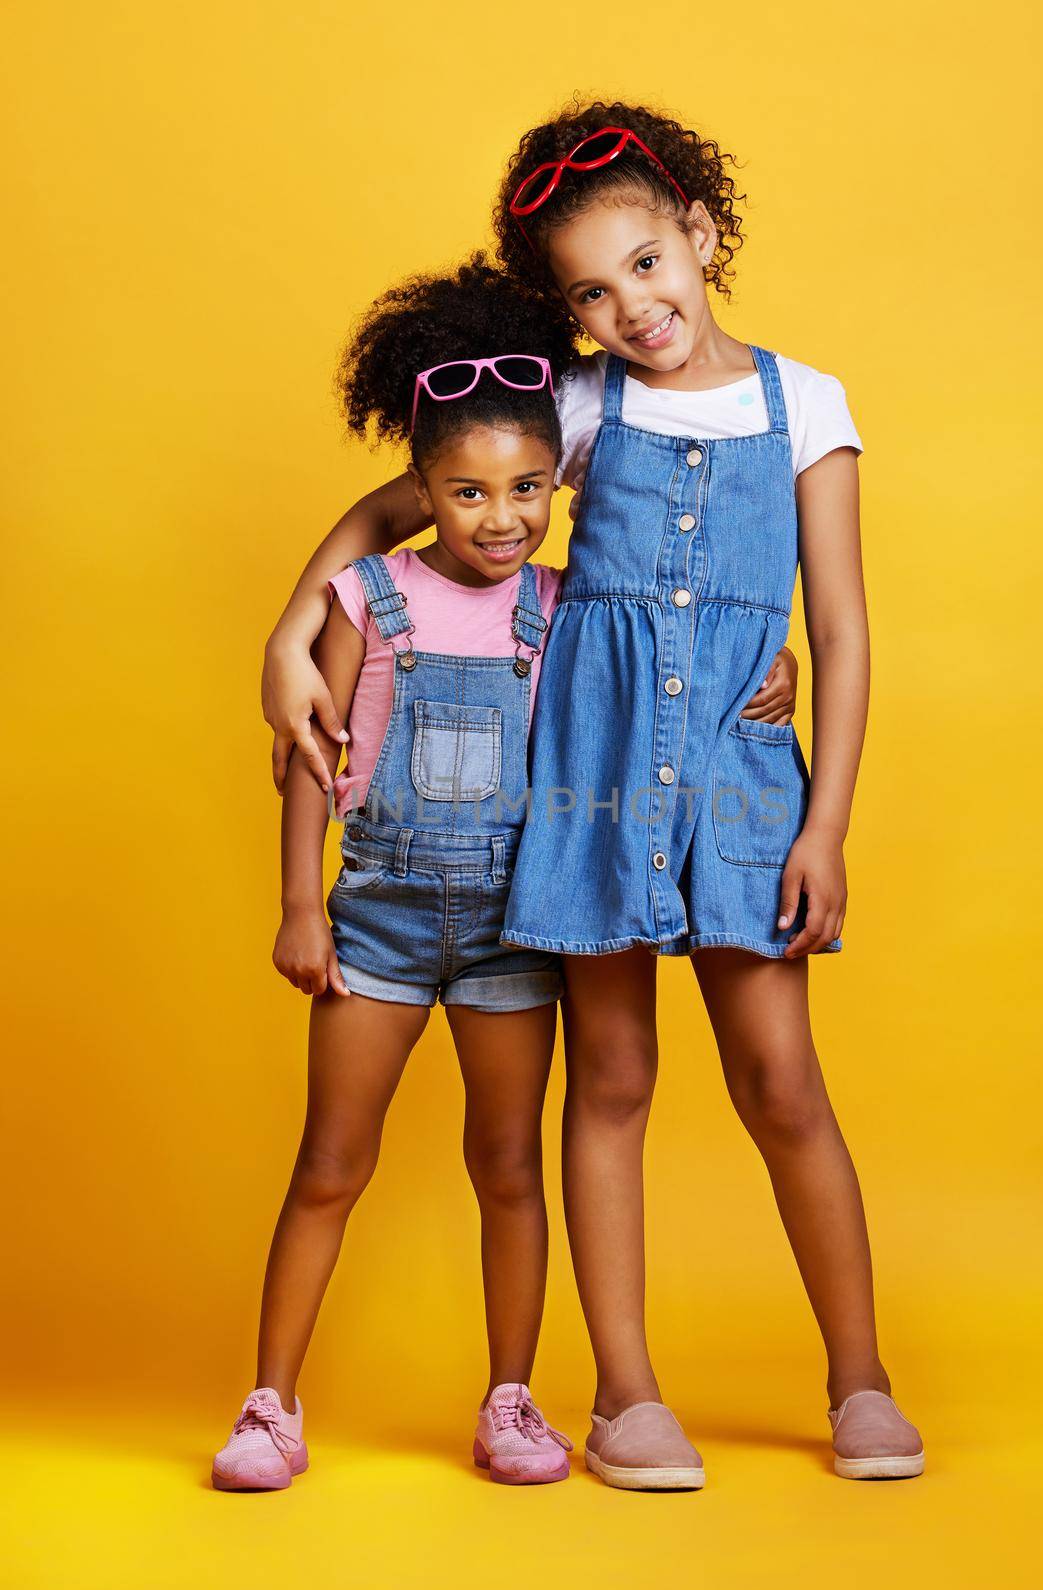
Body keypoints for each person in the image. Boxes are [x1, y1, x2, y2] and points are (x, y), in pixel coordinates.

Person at [265, 97, 922, 1489]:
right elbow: (403, 512)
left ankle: (860, 1378)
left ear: (697, 232)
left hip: (744, 788)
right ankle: (626, 1396)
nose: (629, 307)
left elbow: (847, 628)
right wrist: (285, 635)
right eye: (587, 292)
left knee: (782, 1081)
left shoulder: (809, 405)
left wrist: (828, 821)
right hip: (589, 788)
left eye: (644, 264)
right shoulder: (573, 403)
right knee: (612, 1078)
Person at [213, 257, 577, 1492]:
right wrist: (300, 903)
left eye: (527, 488)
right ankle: (270, 1403)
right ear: (418, 489)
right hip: (371, 923)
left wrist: (776, 669)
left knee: (510, 1163)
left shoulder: (562, 606)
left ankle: (512, 1398)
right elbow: (313, 758)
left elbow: (655, 687)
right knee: (330, 1160)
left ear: (556, 483)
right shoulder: (364, 597)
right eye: (468, 491)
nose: (501, 517)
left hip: (515, 934)